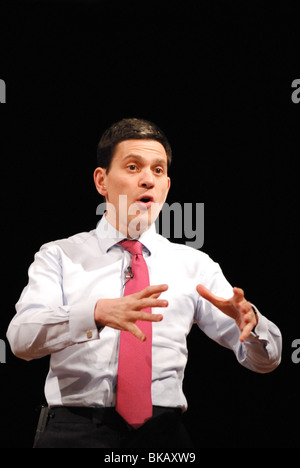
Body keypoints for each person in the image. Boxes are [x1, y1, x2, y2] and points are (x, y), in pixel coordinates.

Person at [7, 118, 282, 448]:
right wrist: (94, 313)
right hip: (76, 430)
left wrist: (250, 325)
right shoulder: (60, 255)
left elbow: (266, 361)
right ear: (101, 181)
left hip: (164, 437)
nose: (147, 180)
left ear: (167, 186)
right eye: (133, 166)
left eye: (158, 170)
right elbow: (21, 339)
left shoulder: (194, 265)